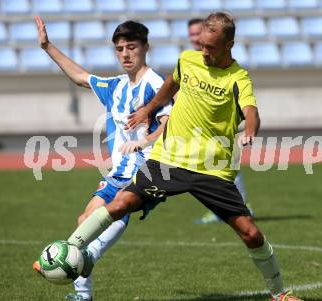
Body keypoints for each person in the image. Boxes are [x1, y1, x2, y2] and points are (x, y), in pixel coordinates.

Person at [49, 12, 303, 301]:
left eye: (211, 47)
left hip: (211, 170)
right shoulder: (188, 59)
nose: (204, 52)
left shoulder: (238, 78)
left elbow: (251, 112)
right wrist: (147, 110)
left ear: (229, 45)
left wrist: (251, 131)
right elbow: (170, 86)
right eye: (202, 45)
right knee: (121, 203)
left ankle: (279, 293)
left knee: (251, 234)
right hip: (168, 161)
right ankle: (67, 250)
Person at [32, 17, 172, 301]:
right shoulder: (117, 86)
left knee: (112, 212)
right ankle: (82, 292)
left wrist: (143, 141)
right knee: (85, 219)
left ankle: (84, 257)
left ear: (145, 47)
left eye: (131, 47)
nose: (125, 54)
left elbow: (169, 122)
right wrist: (48, 47)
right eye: (119, 49)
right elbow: (82, 77)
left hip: (150, 168)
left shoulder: (155, 83)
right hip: (119, 170)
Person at [187, 18, 251, 225]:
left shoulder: (220, 61)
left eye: (198, 33)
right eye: (192, 35)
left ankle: (239, 206)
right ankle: (229, 207)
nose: (195, 38)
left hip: (220, 123)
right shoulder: (192, 62)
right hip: (199, 125)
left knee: (224, 164)